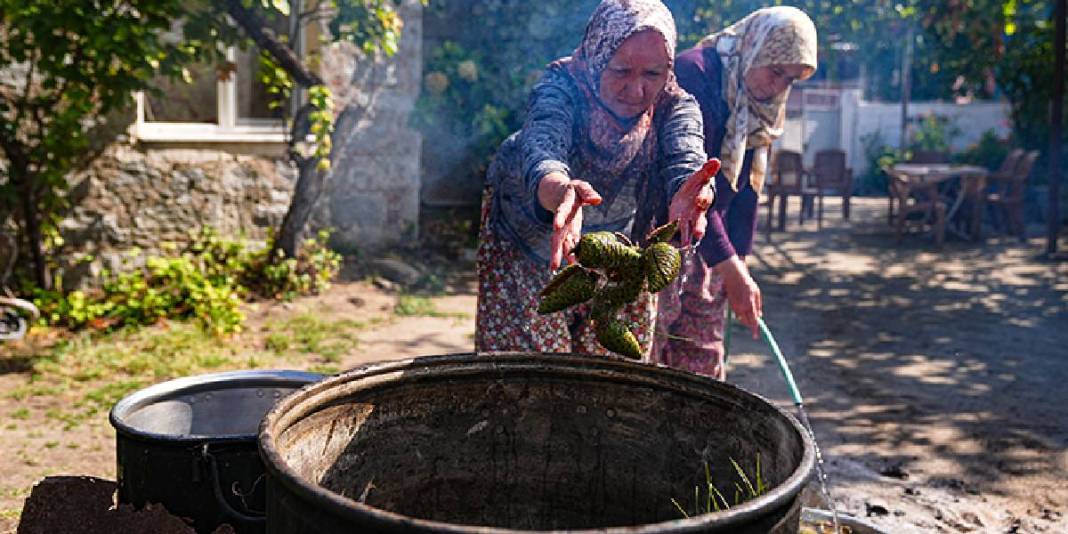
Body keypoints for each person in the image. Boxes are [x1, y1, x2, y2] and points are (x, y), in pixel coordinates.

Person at [475, 0, 716, 356]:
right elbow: (543, 145)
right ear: (597, 57)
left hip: (619, 250)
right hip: (532, 239)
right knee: (534, 370)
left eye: (652, 74)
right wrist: (561, 190)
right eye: (621, 71)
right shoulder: (561, 85)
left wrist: (689, 191)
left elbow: (686, 156)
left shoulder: (675, 105)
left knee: (612, 370)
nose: (637, 91)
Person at [650, 6, 818, 379]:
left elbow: (745, 189)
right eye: (776, 71)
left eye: (790, 80)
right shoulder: (696, 75)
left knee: (701, 366)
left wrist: (739, 263)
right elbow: (689, 183)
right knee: (646, 358)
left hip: (709, 243)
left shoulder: (763, 106)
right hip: (662, 236)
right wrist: (728, 263)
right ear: (754, 48)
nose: (779, 87)